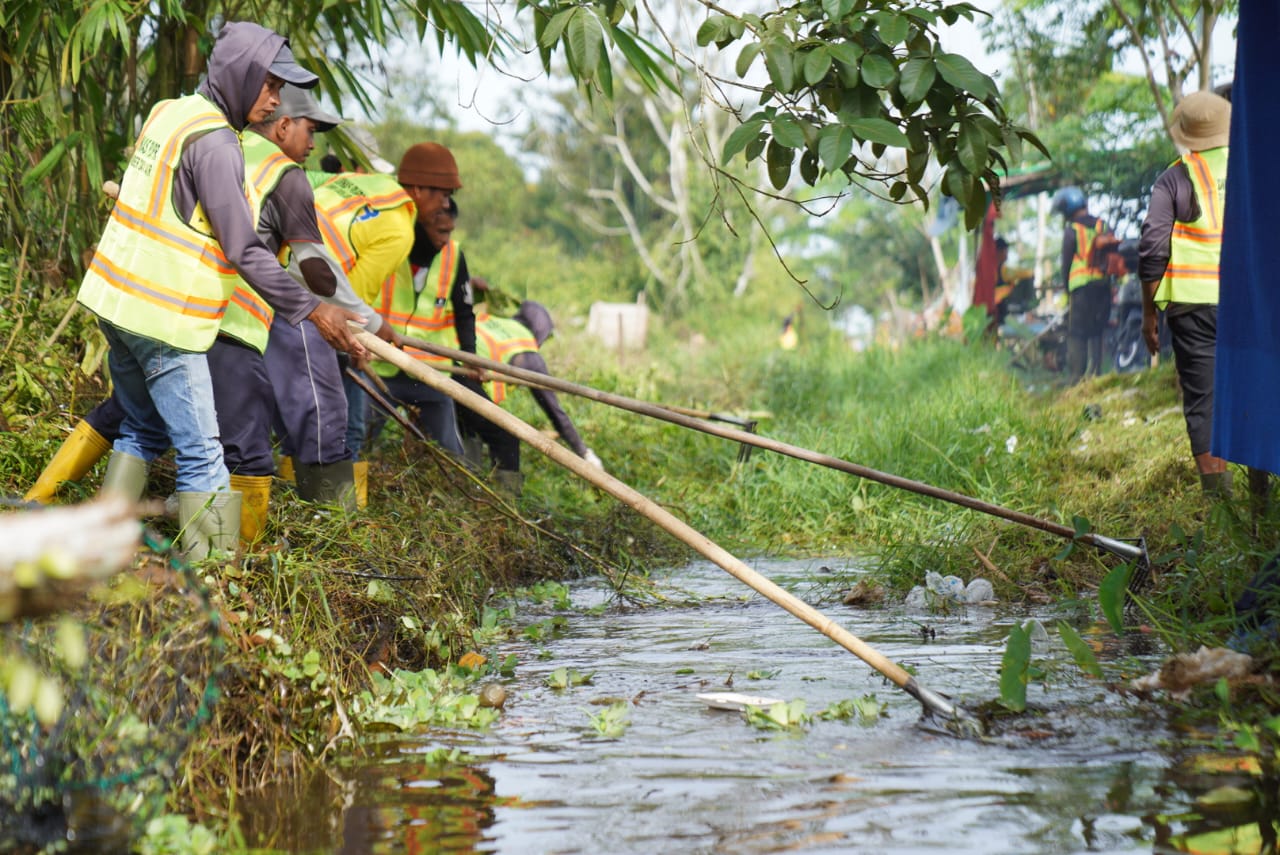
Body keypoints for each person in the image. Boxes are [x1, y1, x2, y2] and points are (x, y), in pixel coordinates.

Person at [74, 21, 365, 559]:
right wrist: (313, 311)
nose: (275, 101)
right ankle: (213, 579)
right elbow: (244, 249)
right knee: (204, 453)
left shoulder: (169, 112)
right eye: (270, 85)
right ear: (242, 73)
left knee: (140, 428)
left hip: (115, 301)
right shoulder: (217, 144)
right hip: (165, 319)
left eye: (281, 90)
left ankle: (97, 551)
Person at [1138, 90, 1232, 497]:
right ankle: (1263, 509)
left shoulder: (1174, 178)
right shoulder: (1257, 167)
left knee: (1204, 405)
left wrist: (1149, 313)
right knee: (1262, 391)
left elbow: (1152, 248)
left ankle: (1224, 513)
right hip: (1252, 302)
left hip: (1194, 310)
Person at [361, 142, 473, 458]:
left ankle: (459, 481)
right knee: (357, 440)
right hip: (377, 369)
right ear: (417, 191)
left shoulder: (452, 256)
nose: (444, 206)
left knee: (451, 452)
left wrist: (469, 357)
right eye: (441, 196)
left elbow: (465, 314)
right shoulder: (390, 236)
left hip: (426, 371)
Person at [472, 298, 604, 472]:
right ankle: (499, 493)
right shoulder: (526, 352)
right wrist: (584, 452)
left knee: (473, 428)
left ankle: (464, 475)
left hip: (438, 365)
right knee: (506, 438)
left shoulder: (493, 321)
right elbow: (555, 412)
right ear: (540, 331)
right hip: (464, 385)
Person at [1049, 185, 1112, 383]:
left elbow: (1066, 264)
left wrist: (1067, 290)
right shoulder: (1103, 225)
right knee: (1098, 330)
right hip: (1103, 286)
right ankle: (1097, 375)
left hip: (1081, 288)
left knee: (1078, 333)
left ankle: (1077, 378)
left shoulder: (1072, 230)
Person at [992, 237, 1036, 327]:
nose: (1007, 253)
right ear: (999, 252)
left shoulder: (991, 269)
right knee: (1027, 280)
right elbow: (1026, 273)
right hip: (1001, 306)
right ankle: (1029, 311)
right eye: (1005, 251)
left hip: (996, 304)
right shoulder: (1003, 270)